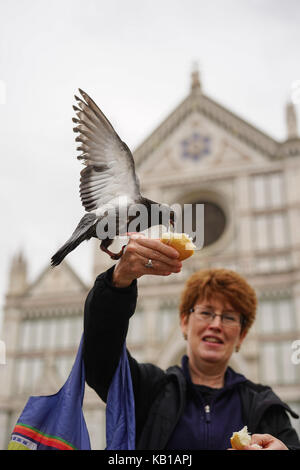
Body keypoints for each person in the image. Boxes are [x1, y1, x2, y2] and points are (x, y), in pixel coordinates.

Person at [83, 234, 300, 450]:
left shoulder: (267, 409)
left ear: (241, 336)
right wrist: (119, 281)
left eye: (229, 317)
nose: (216, 324)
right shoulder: (149, 391)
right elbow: (100, 360)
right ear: (185, 323)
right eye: (206, 313)